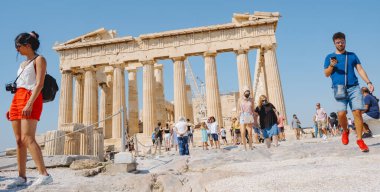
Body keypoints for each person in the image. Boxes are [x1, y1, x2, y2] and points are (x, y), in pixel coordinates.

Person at [5, 32, 53, 189]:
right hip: (18, 98)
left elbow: (39, 84)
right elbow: (21, 85)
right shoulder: (22, 64)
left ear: (28, 45)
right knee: (19, 140)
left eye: (18, 46)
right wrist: (12, 106)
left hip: (31, 98)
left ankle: (44, 174)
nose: (16, 49)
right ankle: (21, 176)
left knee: (28, 138)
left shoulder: (40, 59)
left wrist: (29, 103)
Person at [324, 32, 374, 152]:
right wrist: (331, 65)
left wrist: (368, 82)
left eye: (342, 42)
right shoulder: (329, 57)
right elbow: (326, 74)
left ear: (345, 41)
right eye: (338, 42)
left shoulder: (352, 55)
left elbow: (360, 69)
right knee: (341, 114)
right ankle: (345, 131)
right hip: (339, 88)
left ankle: (360, 140)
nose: (340, 44)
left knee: (357, 112)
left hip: (354, 87)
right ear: (334, 43)